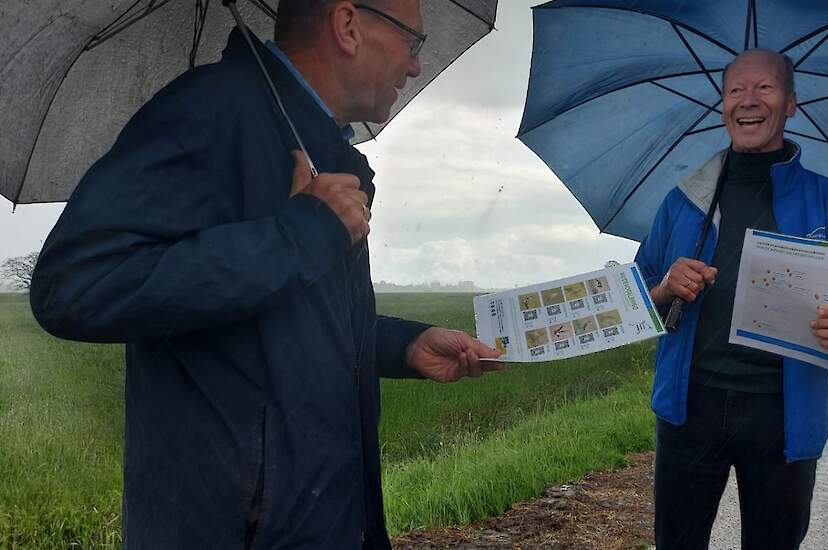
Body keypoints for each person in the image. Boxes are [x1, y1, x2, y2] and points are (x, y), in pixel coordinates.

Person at [29, 1, 502, 548]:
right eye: (412, 42)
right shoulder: (210, 112)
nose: (415, 66)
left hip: (324, 520)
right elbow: (76, 285)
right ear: (348, 26)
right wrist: (303, 232)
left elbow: (293, 324)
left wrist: (404, 345)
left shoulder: (319, 150)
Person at [635, 49, 828, 550]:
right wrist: (664, 286)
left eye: (765, 89)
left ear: (791, 103)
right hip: (689, 410)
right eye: (735, 90)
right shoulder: (683, 199)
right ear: (722, 105)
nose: (748, 101)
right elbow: (637, 296)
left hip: (785, 416)